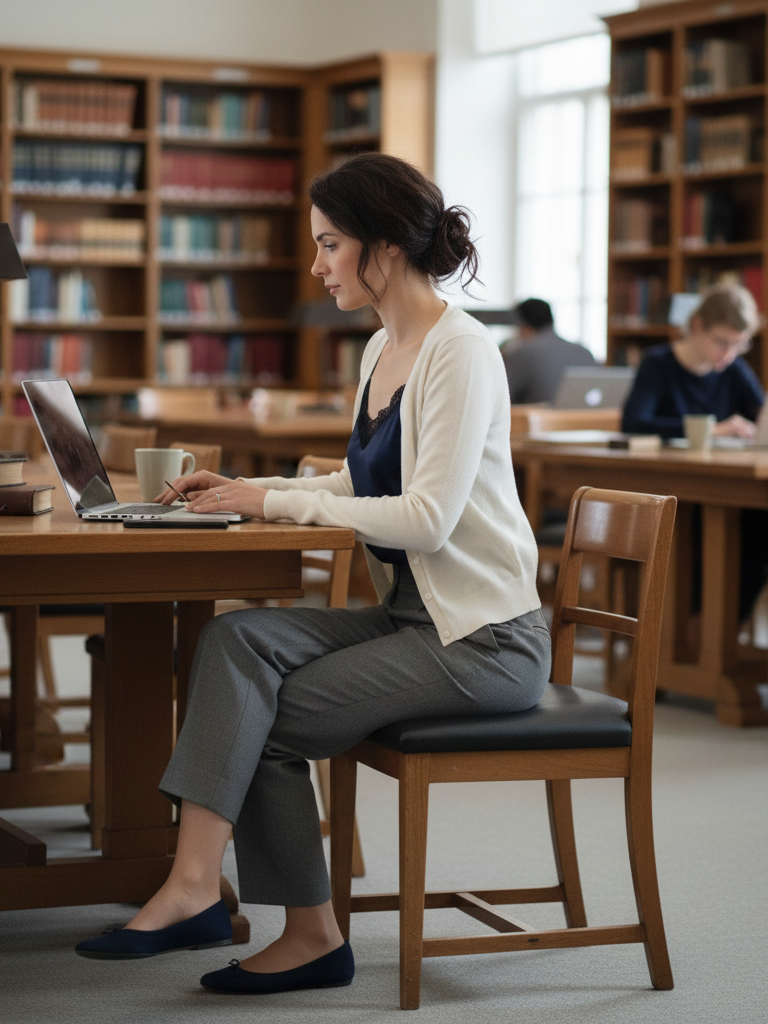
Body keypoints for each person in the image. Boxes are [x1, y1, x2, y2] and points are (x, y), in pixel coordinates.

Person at [74, 153, 551, 995]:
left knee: (263, 715)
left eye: (330, 244)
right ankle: (195, 886)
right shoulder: (380, 349)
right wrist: (248, 490)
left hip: (485, 641)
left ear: (384, 246)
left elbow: (427, 517)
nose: (317, 265)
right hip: (413, 618)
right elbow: (360, 483)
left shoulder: (462, 352)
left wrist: (272, 505)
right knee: (235, 641)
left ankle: (306, 936)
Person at [622, 282, 767, 623]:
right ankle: (694, 628)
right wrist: (713, 429)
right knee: (710, 530)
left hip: (721, 486)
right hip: (667, 490)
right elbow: (634, 422)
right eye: (722, 342)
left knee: (759, 526)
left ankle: (719, 629)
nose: (728, 353)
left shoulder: (733, 369)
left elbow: (761, 413)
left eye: (739, 344)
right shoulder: (658, 363)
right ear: (697, 326)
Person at [501, 297, 595, 404]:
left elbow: (501, 396)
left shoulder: (521, 353)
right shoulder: (584, 352)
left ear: (523, 325)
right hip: (585, 414)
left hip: (535, 414)